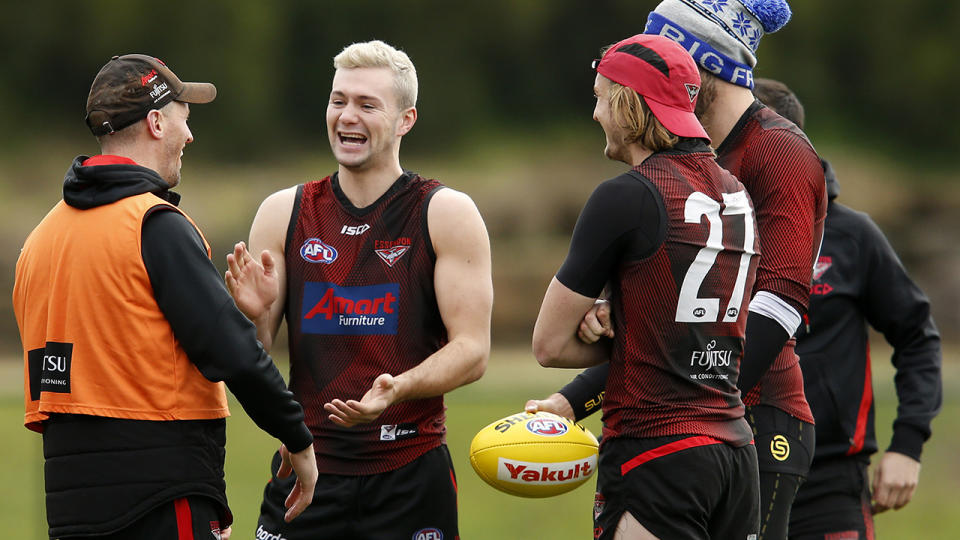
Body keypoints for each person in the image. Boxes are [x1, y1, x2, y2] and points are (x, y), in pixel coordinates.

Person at [528, 1, 828, 539]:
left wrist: (685, 386)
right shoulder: (694, 161)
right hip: (708, 421)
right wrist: (585, 383)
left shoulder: (776, 151)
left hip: (751, 415)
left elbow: (778, 307)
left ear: (701, 64)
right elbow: (679, 316)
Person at [12, 54, 317, 540]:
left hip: (69, 507)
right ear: (156, 122)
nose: (190, 135)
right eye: (183, 118)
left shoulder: (38, 242)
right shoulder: (154, 225)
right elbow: (230, 350)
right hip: (160, 498)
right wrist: (297, 437)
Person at [224, 40, 492, 539]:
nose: (347, 116)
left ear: (405, 120)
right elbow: (251, 360)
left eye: (368, 105)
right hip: (306, 471)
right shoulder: (284, 212)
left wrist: (399, 388)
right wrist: (257, 318)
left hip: (409, 473)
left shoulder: (445, 213)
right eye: (338, 100)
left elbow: (473, 351)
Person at [750, 77, 943, 540]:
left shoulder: (852, 236)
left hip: (829, 484)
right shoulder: (707, 229)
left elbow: (917, 337)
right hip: (725, 471)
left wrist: (908, 445)